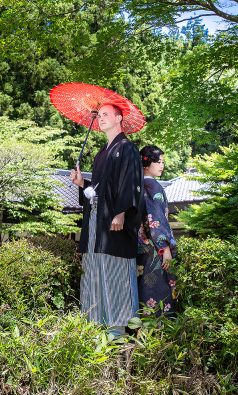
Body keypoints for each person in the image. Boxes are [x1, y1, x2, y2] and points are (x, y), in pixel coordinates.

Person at [70, 103, 144, 337]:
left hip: (115, 223)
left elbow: (130, 183)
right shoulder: (102, 153)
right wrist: (82, 183)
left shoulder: (128, 148)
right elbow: (100, 189)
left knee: (115, 271)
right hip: (97, 221)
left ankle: (118, 331)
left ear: (119, 118)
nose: (101, 118)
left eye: (106, 114)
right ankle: (95, 326)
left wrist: (121, 212)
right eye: (99, 115)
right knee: (94, 269)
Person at [136, 145, 177, 317]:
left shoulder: (136, 185)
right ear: (146, 164)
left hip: (141, 246)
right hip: (155, 248)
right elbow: (156, 220)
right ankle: (159, 328)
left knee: (143, 288)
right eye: (158, 162)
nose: (162, 166)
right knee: (159, 290)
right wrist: (165, 248)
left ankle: (142, 327)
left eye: (163, 162)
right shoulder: (153, 186)